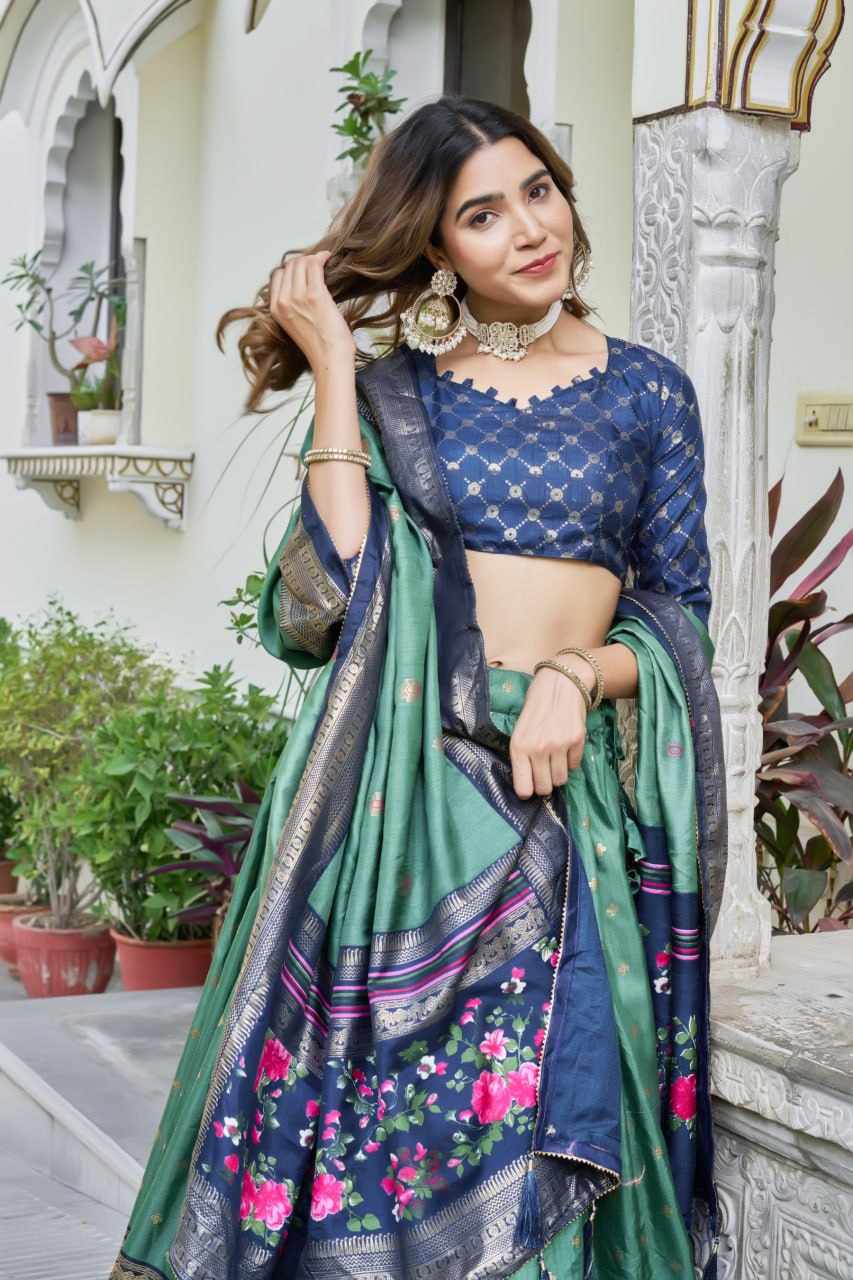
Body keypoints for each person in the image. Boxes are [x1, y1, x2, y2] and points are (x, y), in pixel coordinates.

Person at [111, 96, 727, 1280]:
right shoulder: (405, 395)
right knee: (384, 1154)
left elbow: (680, 615)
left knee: (563, 1131)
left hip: (563, 802)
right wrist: (337, 371)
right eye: (482, 215)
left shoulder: (649, 394)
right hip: (403, 814)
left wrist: (574, 672)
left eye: (536, 191)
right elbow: (339, 594)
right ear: (436, 247)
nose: (529, 229)